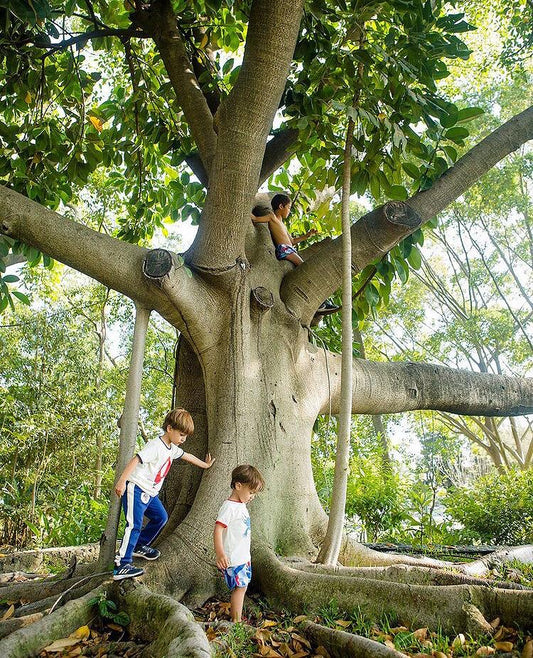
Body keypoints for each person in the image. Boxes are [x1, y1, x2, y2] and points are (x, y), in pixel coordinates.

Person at [113, 408, 215, 581]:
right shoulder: (155, 445)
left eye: (186, 436)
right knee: (134, 525)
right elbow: (136, 459)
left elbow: (187, 456)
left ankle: (139, 545)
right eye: (181, 434)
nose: (183, 439)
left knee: (161, 518)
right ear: (169, 429)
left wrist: (204, 466)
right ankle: (121, 565)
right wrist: (122, 481)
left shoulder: (172, 449)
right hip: (136, 488)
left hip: (150, 494)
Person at [251, 193, 340, 315]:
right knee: (305, 268)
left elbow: (292, 241)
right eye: (288, 207)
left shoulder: (283, 225)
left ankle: (323, 302)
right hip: (284, 249)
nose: (289, 210)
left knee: (304, 269)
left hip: (290, 249)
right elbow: (256, 219)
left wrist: (307, 236)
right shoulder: (272, 217)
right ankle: (322, 303)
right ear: (281, 206)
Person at [214, 464, 265, 623]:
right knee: (240, 588)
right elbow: (218, 530)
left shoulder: (240, 505)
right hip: (233, 558)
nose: (252, 496)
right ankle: (236, 621)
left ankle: (237, 617)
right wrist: (220, 553)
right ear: (238, 485)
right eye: (251, 492)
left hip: (242, 557)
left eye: (254, 493)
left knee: (242, 587)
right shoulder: (229, 507)